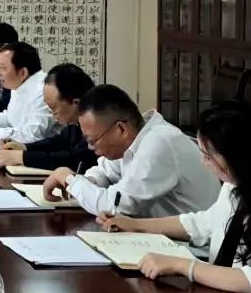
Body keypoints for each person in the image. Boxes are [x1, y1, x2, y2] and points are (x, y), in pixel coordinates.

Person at [100, 102, 251, 293]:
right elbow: (201, 224)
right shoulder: (234, 187)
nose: (204, 163)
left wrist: (183, 266)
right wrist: (136, 225)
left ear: (238, 156)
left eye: (208, 156)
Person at [42, 84, 220, 218]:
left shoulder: (159, 143)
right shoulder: (135, 137)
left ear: (121, 129)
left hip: (192, 247)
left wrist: (69, 179)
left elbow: (117, 206)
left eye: (93, 141)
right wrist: (87, 182)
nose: (91, 147)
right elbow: (105, 172)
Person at [0, 63, 98, 172]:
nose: (52, 114)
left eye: (54, 108)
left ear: (76, 103)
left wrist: (21, 157)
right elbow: (59, 141)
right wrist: (24, 147)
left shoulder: (98, 122)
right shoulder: (76, 121)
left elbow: (76, 160)